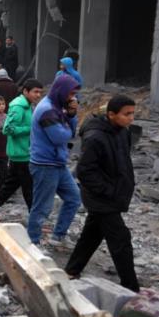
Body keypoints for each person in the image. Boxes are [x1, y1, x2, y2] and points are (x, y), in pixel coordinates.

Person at [64, 95, 139, 291]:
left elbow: (123, 160)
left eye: (133, 113)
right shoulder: (95, 137)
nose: (131, 118)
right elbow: (85, 171)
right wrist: (109, 191)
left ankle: (71, 270)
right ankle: (131, 289)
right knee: (121, 240)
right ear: (111, 114)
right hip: (102, 198)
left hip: (114, 193)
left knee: (92, 233)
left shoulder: (123, 132)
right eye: (127, 114)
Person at [27, 74, 81, 247]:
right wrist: (66, 123)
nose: (72, 98)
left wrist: (71, 115)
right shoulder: (47, 110)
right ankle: (32, 243)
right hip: (45, 164)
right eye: (70, 94)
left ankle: (58, 236)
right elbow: (60, 137)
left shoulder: (57, 107)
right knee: (42, 207)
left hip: (57, 162)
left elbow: (70, 133)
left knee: (73, 198)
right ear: (62, 91)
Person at [0, 79, 44, 214]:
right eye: (35, 92)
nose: (38, 95)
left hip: (22, 152)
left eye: (40, 92)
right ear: (25, 91)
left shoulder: (27, 105)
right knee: (29, 189)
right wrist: (30, 129)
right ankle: (36, 221)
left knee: (10, 186)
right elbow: (8, 129)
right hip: (21, 154)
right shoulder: (19, 106)